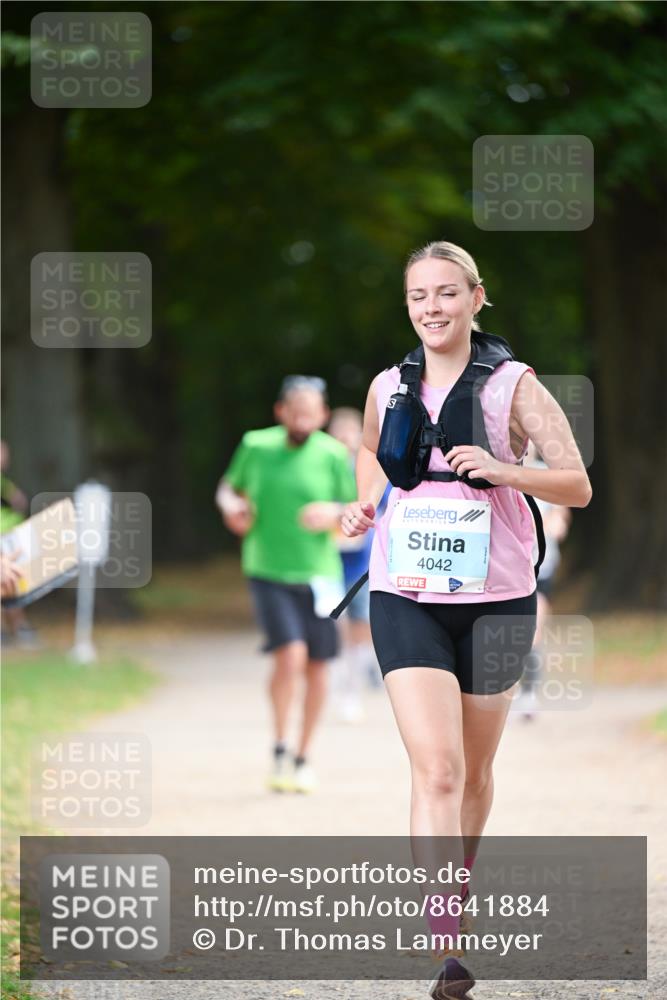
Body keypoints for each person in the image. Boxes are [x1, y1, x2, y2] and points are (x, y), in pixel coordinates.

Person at [341, 241, 592, 999]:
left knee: (476, 771)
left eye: (446, 293)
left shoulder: (513, 385)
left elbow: (575, 483)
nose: (431, 308)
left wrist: (504, 469)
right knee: (438, 768)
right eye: (418, 296)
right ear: (408, 305)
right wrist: (363, 500)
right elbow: (368, 450)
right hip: (404, 594)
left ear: (476, 298)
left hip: (497, 598)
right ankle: (445, 937)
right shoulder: (390, 385)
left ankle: (456, 884)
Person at [216, 376, 356, 793]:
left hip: (320, 575)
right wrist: (232, 507)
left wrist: (331, 512)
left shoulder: (333, 454)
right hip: (267, 569)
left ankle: (303, 755)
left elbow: (353, 508)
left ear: (323, 416)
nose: (303, 420)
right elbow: (228, 488)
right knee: (291, 656)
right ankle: (279, 745)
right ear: (280, 412)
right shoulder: (256, 445)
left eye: (311, 414)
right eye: (296, 413)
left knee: (318, 667)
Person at [328, 408, 385, 721]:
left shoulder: (374, 469)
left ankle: (361, 670)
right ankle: (343, 682)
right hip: (327, 559)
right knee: (336, 624)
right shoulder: (322, 465)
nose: (345, 436)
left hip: (362, 560)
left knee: (362, 620)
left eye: (351, 430)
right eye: (340, 430)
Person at [515, 442, 572, 720]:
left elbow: (559, 522)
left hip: (540, 566)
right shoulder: (492, 473)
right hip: (504, 569)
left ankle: (528, 694)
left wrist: (545, 528)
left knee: (532, 632)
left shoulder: (547, 476)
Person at [1, 441, 38, 648]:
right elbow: (19, 501)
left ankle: (16, 627)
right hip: (5, 539)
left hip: (10, 537)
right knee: (10, 581)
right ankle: (17, 627)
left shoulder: (4, 481)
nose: (5, 458)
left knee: (12, 581)